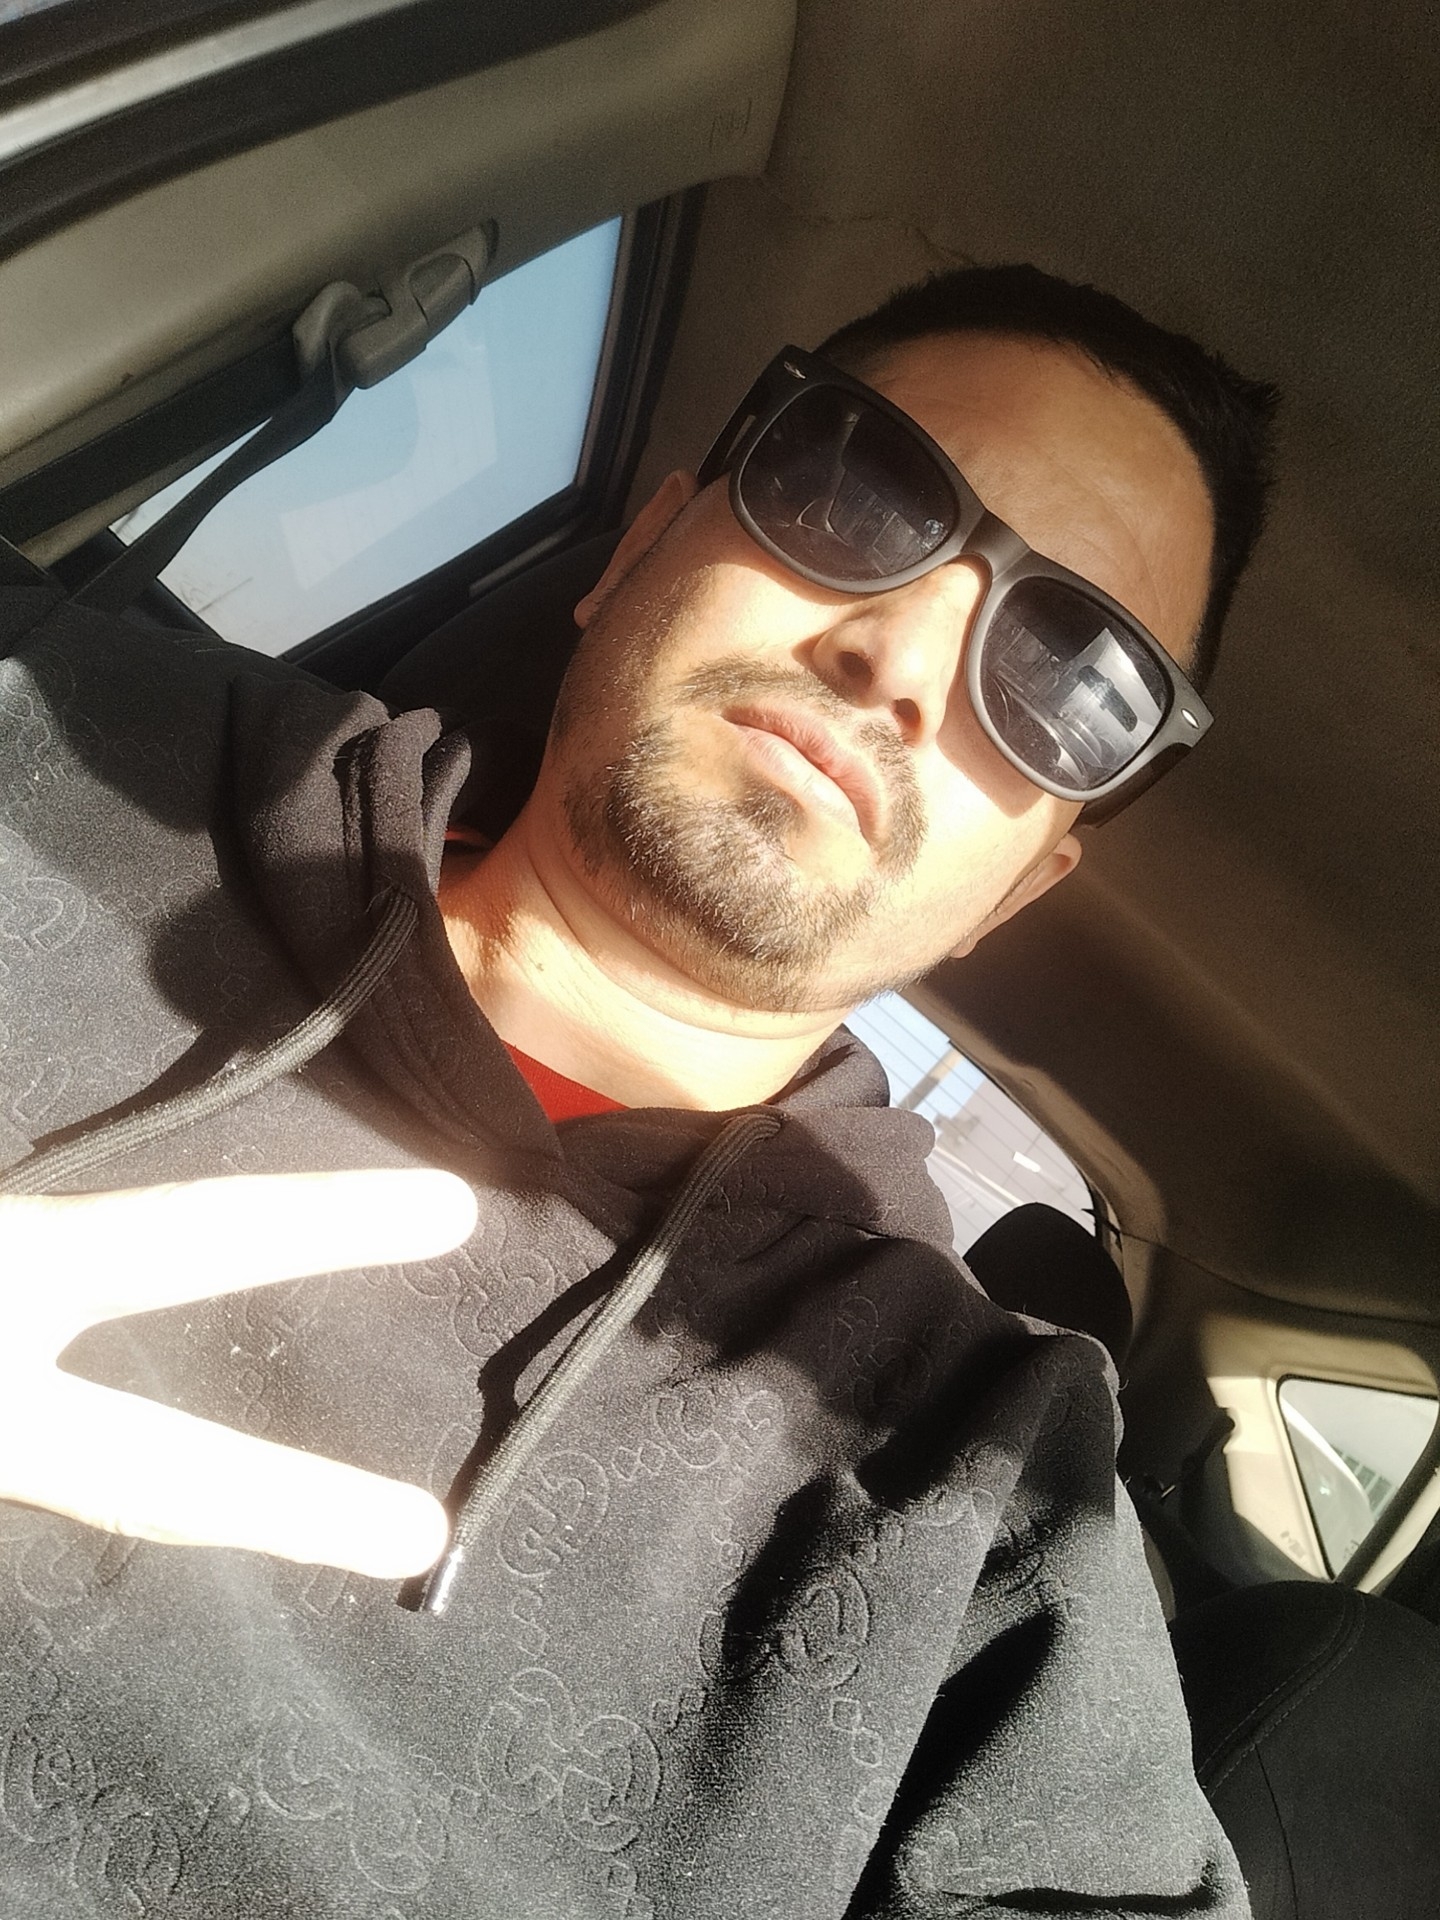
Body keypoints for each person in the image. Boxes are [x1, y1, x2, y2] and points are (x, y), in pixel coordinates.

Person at [0, 265, 1276, 1916]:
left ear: (1023, 886)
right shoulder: (58, 723)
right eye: (863, 491)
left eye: (1068, 681)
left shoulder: (979, 1490)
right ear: (641, 546)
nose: (902, 654)